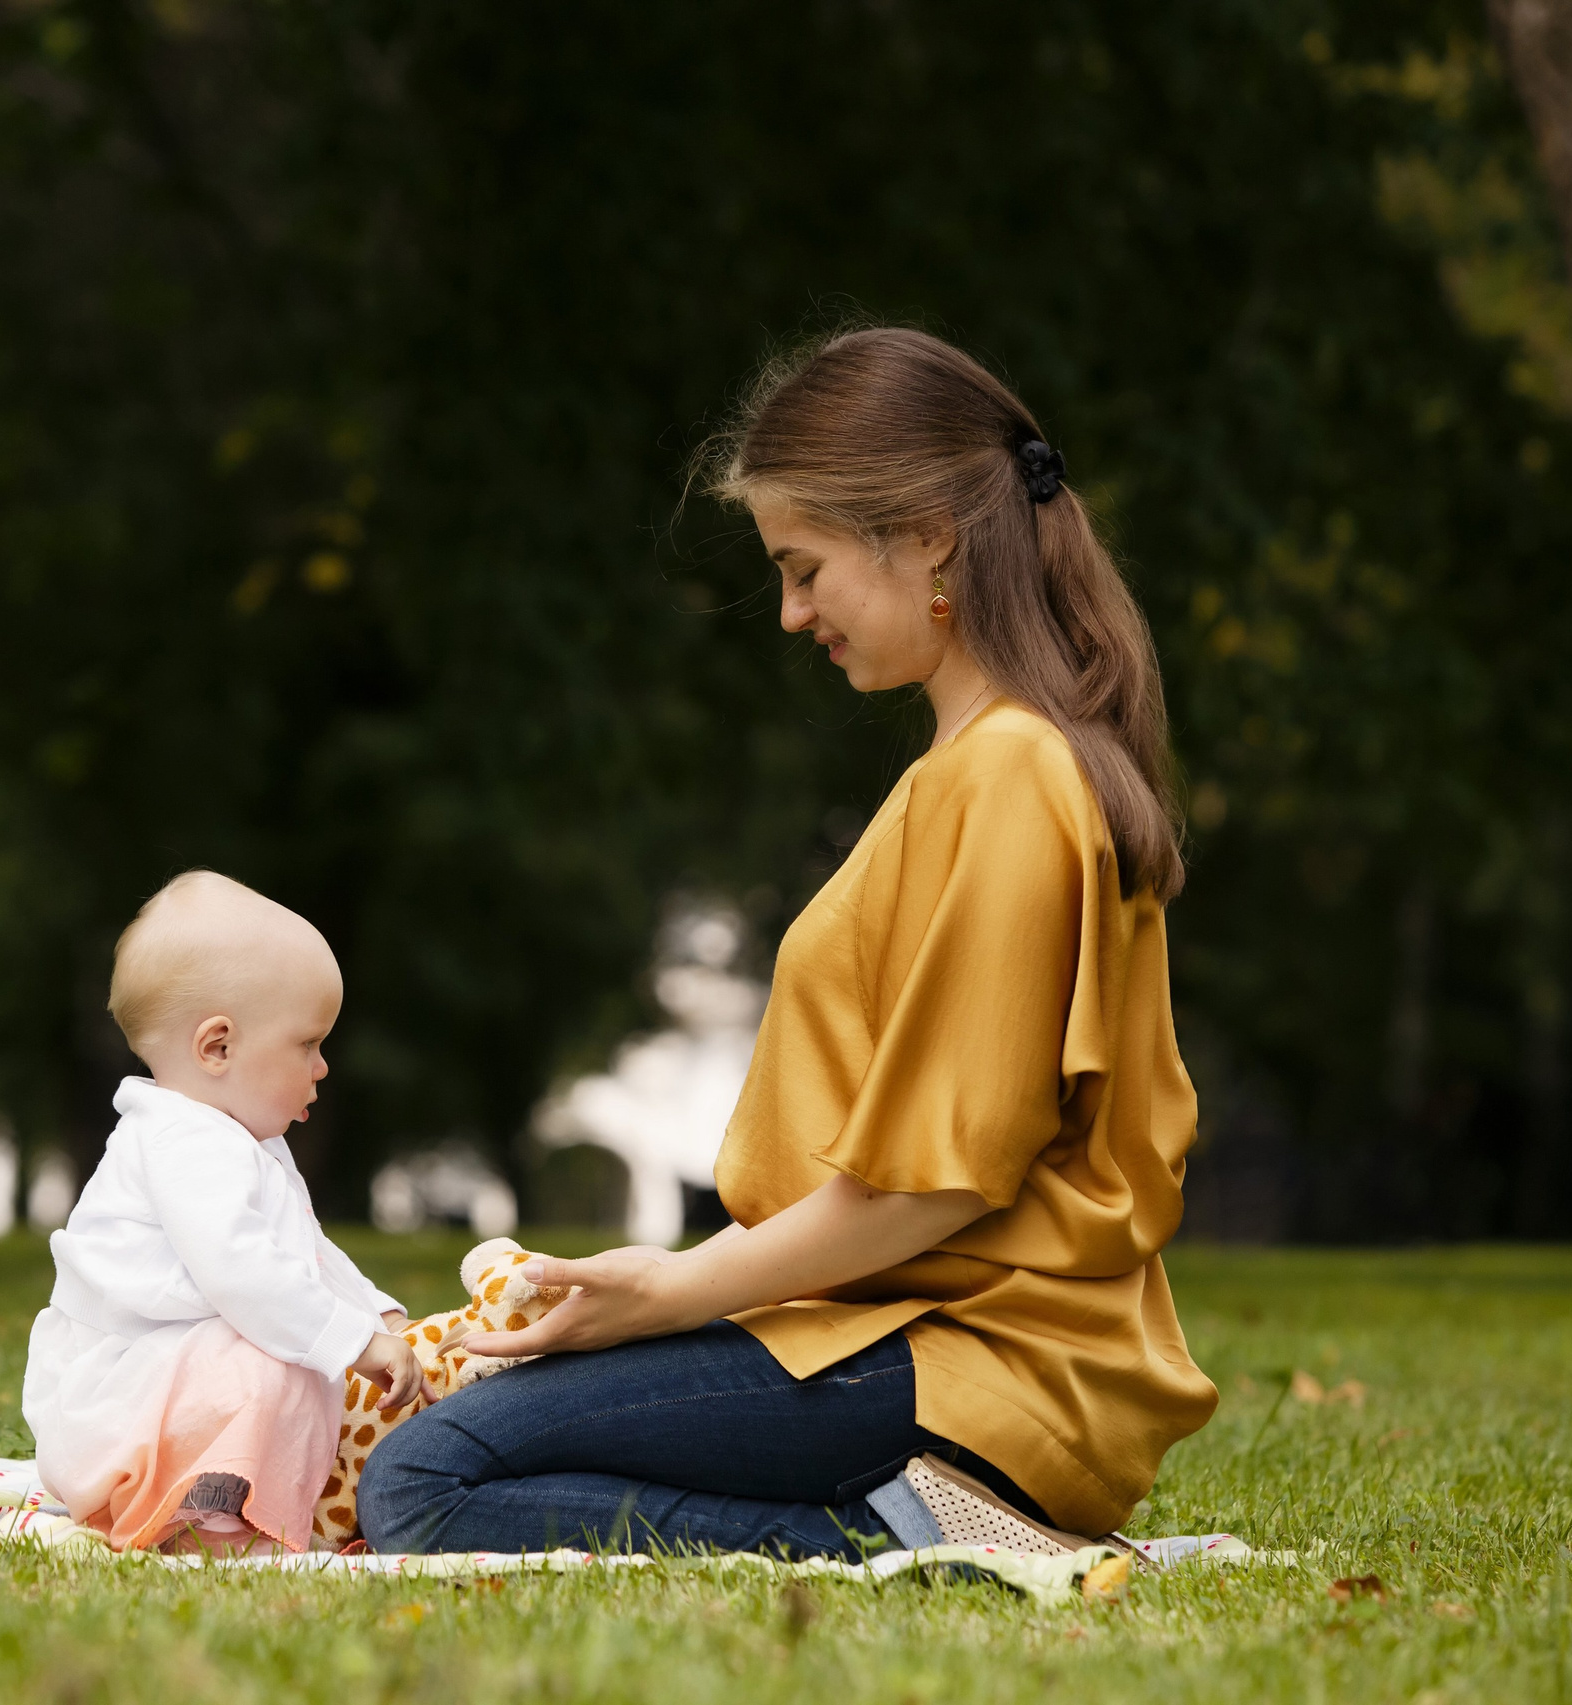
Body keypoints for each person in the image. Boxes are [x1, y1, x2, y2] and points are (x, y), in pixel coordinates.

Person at [358, 327, 1219, 1559]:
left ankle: (910, 1542)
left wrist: (669, 1290)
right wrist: (665, 1287)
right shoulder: (979, 767)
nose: (789, 611)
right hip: (898, 1330)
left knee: (423, 1481)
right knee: (459, 1431)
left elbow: (937, 1186)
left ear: (927, 532)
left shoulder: (1014, 776)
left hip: (977, 1359)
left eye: (803, 567)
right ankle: (901, 1522)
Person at [21, 871, 424, 1553]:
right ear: (218, 1047)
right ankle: (195, 1522)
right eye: (307, 1044)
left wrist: (374, 1312)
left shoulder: (241, 1139)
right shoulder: (185, 1141)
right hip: (116, 1401)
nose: (323, 1066)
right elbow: (244, 1272)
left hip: (163, 1377)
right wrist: (351, 1341)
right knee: (276, 1355)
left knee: (289, 1348)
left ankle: (231, 1508)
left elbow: (303, 1251)